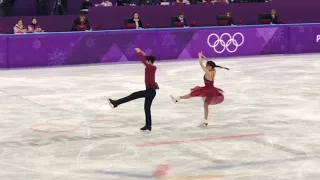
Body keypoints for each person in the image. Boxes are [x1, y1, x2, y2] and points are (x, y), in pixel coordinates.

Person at [170, 52, 228, 126]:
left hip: (207, 90)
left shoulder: (208, 72)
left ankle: (178, 98)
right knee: (205, 105)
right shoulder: (214, 70)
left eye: (207, 66)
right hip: (212, 90)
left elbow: (201, 64)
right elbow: (209, 62)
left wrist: (199, 56)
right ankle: (205, 120)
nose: (206, 66)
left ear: (210, 67)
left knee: (192, 94)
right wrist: (203, 56)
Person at [108, 48, 159, 131]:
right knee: (146, 108)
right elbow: (146, 58)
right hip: (151, 92)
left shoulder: (151, 67)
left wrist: (139, 52)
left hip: (150, 92)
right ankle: (148, 125)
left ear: (149, 61)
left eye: (147, 61)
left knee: (133, 95)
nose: (146, 62)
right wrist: (142, 52)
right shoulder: (151, 66)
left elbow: (143, 60)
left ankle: (116, 103)